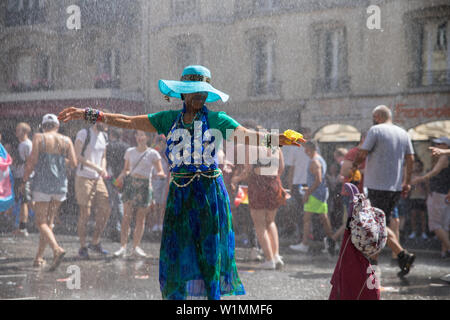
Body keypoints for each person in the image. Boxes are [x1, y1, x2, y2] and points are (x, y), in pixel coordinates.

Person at [58, 65, 303, 300]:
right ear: (184, 93)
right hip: (180, 194)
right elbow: (129, 121)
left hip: (209, 194)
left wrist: (279, 139)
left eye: (203, 93)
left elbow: (250, 137)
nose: (200, 97)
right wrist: (90, 114)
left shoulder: (218, 120)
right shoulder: (167, 119)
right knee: (178, 250)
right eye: (195, 92)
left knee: (209, 252)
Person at [352, 105, 415, 276]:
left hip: (376, 185)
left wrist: (355, 165)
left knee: (377, 224)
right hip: (394, 186)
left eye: (374, 116)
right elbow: (410, 159)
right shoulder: (403, 133)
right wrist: (407, 182)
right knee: (380, 225)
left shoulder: (376, 130)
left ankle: (402, 254)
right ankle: (374, 261)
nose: (373, 120)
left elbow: (363, 152)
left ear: (378, 116)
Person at [21, 114, 77, 270]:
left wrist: (24, 180)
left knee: (40, 222)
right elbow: (73, 163)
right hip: (60, 186)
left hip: (43, 184)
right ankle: (39, 258)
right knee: (49, 224)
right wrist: (58, 161)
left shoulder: (39, 137)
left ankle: (57, 249)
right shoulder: (67, 140)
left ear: (43, 126)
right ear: (57, 126)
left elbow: (32, 161)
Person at [231, 125, 287, 270]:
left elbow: (248, 171)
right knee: (270, 222)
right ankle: (276, 255)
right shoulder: (276, 146)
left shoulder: (253, 147)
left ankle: (269, 260)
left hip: (258, 184)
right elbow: (282, 168)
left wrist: (235, 179)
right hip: (274, 183)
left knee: (259, 225)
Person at [113, 130, 166, 258]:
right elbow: (126, 169)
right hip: (131, 183)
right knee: (126, 217)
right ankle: (123, 246)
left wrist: (158, 175)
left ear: (148, 137)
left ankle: (136, 247)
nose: (139, 137)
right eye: (137, 134)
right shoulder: (130, 151)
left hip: (145, 185)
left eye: (142, 134)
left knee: (140, 219)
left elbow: (161, 172)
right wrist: (119, 179)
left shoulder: (153, 153)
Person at [74, 120, 111, 259]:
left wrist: (103, 168)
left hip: (98, 178)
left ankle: (95, 241)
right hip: (83, 177)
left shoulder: (104, 136)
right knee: (85, 212)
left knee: (106, 209)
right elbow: (77, 156)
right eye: (106, 122)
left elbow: (103, 157)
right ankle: (83, 247)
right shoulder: (84, 133)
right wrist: (97, 168)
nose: (108, 126)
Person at [294, 141, 336, 255]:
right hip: (319, 194)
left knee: (308, 219)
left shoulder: (315, 161)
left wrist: (308, 193)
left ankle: (305, 244)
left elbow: (318, 180)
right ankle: (331, 242)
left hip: (315, 195)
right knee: (323, 218)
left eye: (305, 149)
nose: (304, 151)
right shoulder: (319, 159)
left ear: (310, 149)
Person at [411, 137, 450, 259]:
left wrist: (420, 179)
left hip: (438, 194)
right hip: (445, 194)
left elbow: (434, 172)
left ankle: (448, 248)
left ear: (446, 146)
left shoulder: (444, 157)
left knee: (435, 225)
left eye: (439, 144)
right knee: (444, 225)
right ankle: (445, 252)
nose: (435, 146)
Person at [284, 128, 310, 247]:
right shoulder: (295, 149)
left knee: (305, 212)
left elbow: (290, 170)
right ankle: (301, 236)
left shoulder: (312, 149)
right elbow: (291, 170)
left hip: (306, 184)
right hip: (298, 184)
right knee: (301, 211)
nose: (306, 138)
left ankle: (305, 237)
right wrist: (289, 186)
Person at [105, 127, 130, 241]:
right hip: (122, 177)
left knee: (115, 201)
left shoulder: (109, 146)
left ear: (111, 134)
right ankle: (120, 228)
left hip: (112, 177)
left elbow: (107, 161)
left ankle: (120, 229)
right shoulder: (126, 147)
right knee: (119, 201)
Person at [13, 122, 33, 237]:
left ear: (25, 132)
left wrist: (24, 180)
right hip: (21, 176)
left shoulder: (27, 145)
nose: (16, 132)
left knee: (25, 202)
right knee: (24, 202)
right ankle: (22, 227)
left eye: (18, 130)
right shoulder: (22, 144)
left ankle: (23, 228)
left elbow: (30, 163)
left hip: (25, 177)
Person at [150, 134, 170, 233]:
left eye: (163, 142)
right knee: (156, 203)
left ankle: (161, 223)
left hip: (165, 180)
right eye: (160, 141)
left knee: (162, 204)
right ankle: (155, 223)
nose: (161, 144)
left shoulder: (166, 153)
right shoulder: (154, 151)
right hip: (156, 179)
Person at [407, 159, 428, 241]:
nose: (416, 167)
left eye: (418, 166)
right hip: (413, 197)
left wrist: (427, 197)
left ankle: (423, 232)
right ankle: (414, 231)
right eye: (415, 165)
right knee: (413, 215)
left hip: (422, 198)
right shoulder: (411, 175)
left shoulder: (424, 175)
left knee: (423, 216)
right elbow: (409, 186)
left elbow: (427, 186)